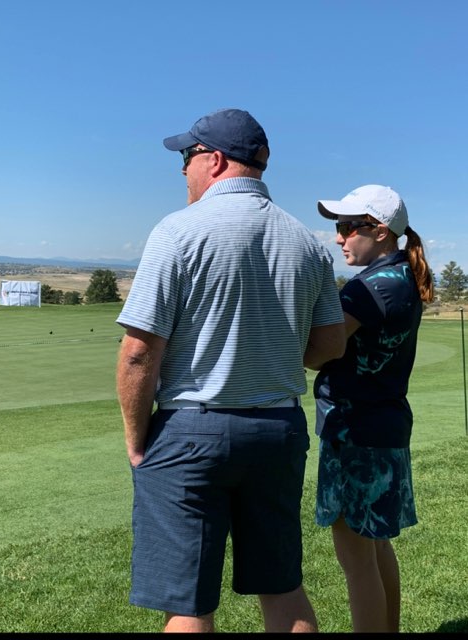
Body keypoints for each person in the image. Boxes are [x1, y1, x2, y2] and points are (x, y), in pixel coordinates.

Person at [116, 107, 346, 633]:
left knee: (189, 603)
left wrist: (136, 440)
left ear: (215, 160)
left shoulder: (177, 231)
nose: (182, 170)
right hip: (277, 429)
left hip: (190, 431)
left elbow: (138, 351)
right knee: (282, 586)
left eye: (186, 157)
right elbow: (328, 346)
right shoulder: (308, 242)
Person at [309, 184, 434, 632]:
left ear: (380, 231)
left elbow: (317, 353)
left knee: (357, 559)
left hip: (355, 432)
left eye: (346, 227)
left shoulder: (367, 290)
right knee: (376, 547)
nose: (339, 237)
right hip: (384, 426)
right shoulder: (401, 277)